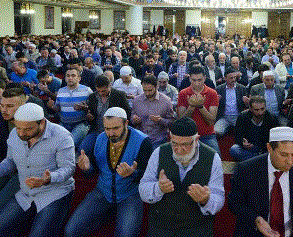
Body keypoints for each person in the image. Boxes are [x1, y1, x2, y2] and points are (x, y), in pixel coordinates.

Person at [0, 103, 75, 237]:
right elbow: (10, 162)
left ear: (42, 123)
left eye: (27, 129)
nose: (21, 133)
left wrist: (48, 179)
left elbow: (68, 168)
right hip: (26, 194)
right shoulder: (14, 134)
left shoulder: (62, 136)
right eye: (18, 128)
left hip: (54, 193)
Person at [65, 107, 152, 237]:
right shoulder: (100, 139)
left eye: (115, 128)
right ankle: (106, 214)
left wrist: (132, 174)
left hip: (129, 195)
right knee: (70, 231)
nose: (110, 133)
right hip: (103, 192)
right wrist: (87, 168)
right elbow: (92, 171)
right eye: (107, 129)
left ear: (126, 123)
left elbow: (148, 177)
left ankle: (107, 214)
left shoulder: (142, 141)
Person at [139, 117, 225, 237]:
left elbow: (219, 198)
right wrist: (158, 188)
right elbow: (143, 189)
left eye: (185, 144)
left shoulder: (212, 157)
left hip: (196, 228)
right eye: (174, 143)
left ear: (196, 140)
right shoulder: (159, 152)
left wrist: (206, 200)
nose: (179, 149)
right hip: (161, 227)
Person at [228, 126, 293, 237]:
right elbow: (234, 202)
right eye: (284, 155)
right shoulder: (247, 169)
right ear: (269, 148)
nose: (290, 161)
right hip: (255, 233)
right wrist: (257, 220)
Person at [81, 73, 130, 155]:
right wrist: (89, 116)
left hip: (114, 132)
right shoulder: (93, 97)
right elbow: (91, 113)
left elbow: (127, 113)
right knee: (84, 149)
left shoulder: (119, 95)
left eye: (104, 91)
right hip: (97, 130)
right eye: (98, 91)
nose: (101, 93)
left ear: (110, 86)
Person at [177, 65, 220, 154]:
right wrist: (191, 107)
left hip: (207, 135)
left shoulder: (212, 93)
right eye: (194, 80)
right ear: (189, 79)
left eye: (199, 80)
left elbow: (211, 121)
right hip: (188, 135)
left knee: (216, 156)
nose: (196, 83)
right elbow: (181, 121)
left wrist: (201, 106)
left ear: (204, 78)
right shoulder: (183, 93)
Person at [52, 66, 93, 148]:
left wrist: (85, 108)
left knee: (69, 144)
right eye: (68, 76)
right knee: (55, 143)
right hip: (64, 123)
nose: (70, 78)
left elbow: (94, 108)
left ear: (79, 78)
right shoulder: (61, 91)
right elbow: (58, 109)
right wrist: (52, 106)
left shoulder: (87, 90)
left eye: (73, 75)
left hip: (81, 124)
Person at [132, 75, 175, 149]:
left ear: (156, 87)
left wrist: (161, 120)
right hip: (141, 139)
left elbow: (172, 122)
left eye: (150, 90)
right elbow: (132, 119)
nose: (147, 93)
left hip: (159, 139)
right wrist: (135, 120)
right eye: (145, 90)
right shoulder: (137, 100)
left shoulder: (166, 101)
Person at [230, 96, 279, 161]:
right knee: (234, 149)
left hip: (264, 148)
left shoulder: (272, 118)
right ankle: (257, 161)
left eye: (262, 109)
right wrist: (243, 143)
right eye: (256, 110)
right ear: (250, 109)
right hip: (248, 149)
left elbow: (275, 140)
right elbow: (237, 136)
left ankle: (252, 161)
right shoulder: (243, 117)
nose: (260, 113)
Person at [214, 67, 247, 137]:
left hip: (238, 116)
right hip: (224, 117)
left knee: (244, 131)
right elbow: (214, 105)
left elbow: (246, 105)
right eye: (231, 78)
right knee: (216, 131)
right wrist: (216, 101)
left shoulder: (242, 88)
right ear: (225, 78)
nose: (233, 80)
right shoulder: (219, 89)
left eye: (234, 77)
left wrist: (247, 102)